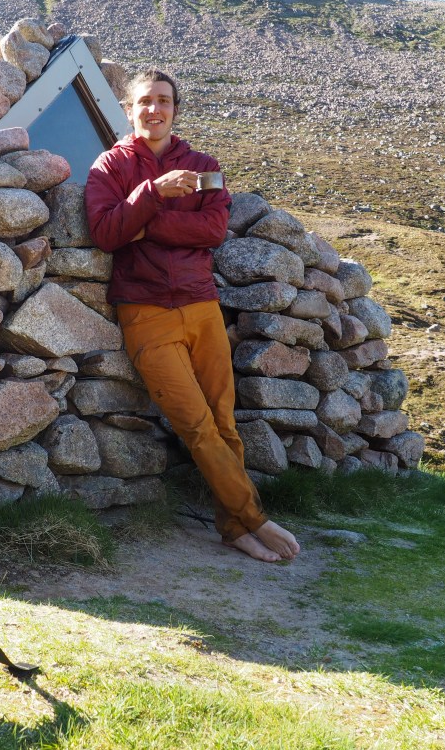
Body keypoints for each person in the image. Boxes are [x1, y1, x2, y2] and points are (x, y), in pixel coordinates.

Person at [84, 69, 300, 563]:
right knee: (197, 425)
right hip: (146, 311)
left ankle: (234, 528)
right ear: (128, 110)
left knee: (224, 422)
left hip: (201, 305)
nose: (154, 109)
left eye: (164, 101)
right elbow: (107, 234)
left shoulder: (203, 166)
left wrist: (145, 223)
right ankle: (255, 519)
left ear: (175, 109)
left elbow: (213, 230)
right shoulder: (109, 166)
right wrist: (153, 192)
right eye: (145, 101)